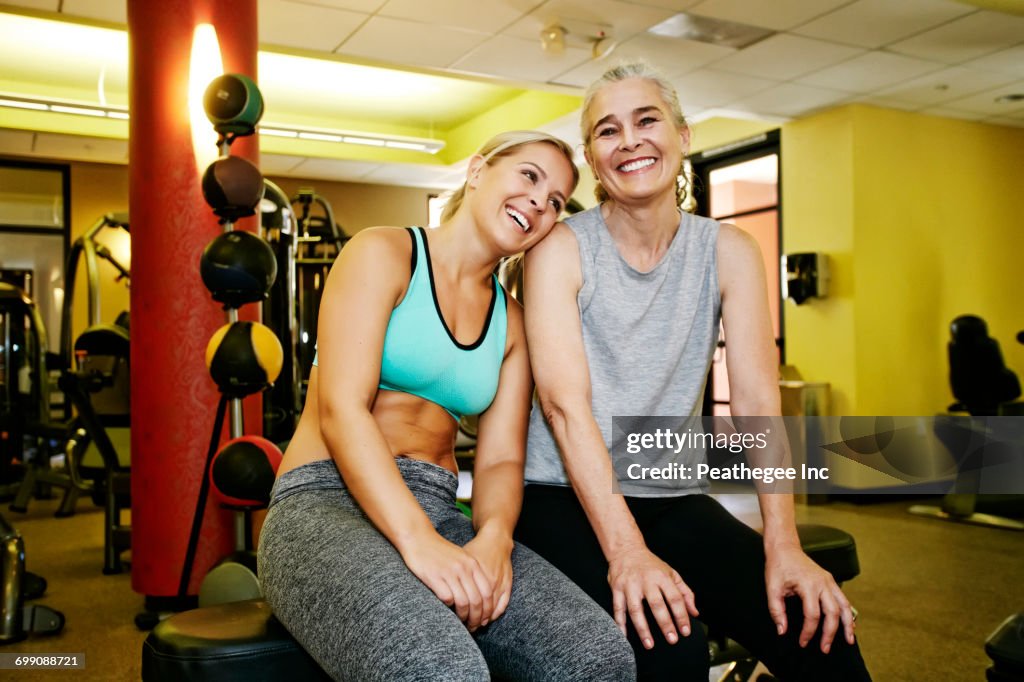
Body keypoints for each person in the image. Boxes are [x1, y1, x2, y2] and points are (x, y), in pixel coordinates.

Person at [514, 61, 872, 681]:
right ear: (594, 160)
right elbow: (564, 409)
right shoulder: (561, 250)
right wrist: (626, 551)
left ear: (682, 136)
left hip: (671, 494)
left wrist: (782, 544)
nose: (629, 140)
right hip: (560, 496)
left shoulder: (729, 251)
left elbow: (759, 401)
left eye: (647, 119)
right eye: (607, 130)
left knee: (821, 631)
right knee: (669, 649)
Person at [257, 130, 636, 682]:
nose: (540, 201)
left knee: (595, 657)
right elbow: (342, 410)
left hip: (437, 508)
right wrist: (418, 543)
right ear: (478, 170)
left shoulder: (513, 324)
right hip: (322, 499)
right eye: (529, 175)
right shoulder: (382, 252)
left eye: (555, 201)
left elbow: (502, 460)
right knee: (441, 670)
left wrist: (493, 540)